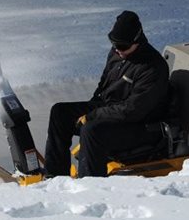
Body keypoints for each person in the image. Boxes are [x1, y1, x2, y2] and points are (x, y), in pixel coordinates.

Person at [44, 10, 170, 178]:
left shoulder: (153, 67)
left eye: (123, 46)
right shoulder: (117, 53)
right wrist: (90, 109)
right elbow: (104, 86)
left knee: (92, 130)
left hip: (141, 126)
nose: (118, 50)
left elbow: (133, 110)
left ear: (137, 39)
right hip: (111, 110)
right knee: (60, 113)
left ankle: (89, 185)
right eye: (114, 44)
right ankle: (55, 176)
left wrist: (93, 115)